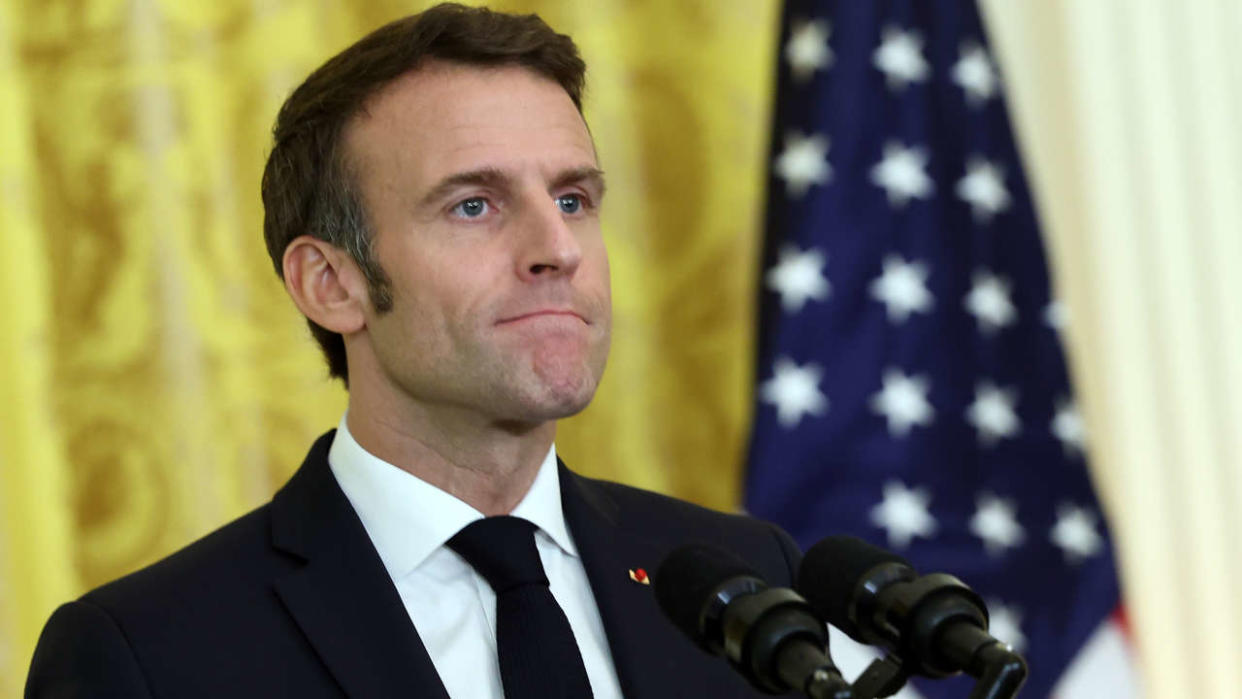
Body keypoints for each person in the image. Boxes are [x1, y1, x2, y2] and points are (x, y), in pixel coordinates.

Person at [26, 4, 802, 697]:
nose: (557, 248)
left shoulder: (744, 577)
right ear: (331, 283)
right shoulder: (148, 654)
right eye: (473, 204)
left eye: (572, 199)